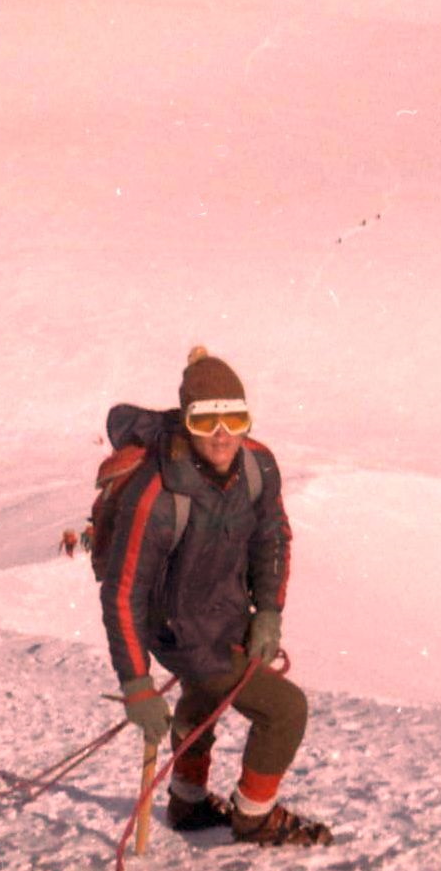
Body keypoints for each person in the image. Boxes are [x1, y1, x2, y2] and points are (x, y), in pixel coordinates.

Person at [98, 347, 330, 846]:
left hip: (226, 611)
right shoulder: (156, 494)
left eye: (235, 418)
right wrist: (136, 683)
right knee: (284, 710)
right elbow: (122, 593)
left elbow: (272, 535)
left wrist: (267, 610)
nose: (223, 435)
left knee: (203, 696)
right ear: (186, 422)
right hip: (175, 626)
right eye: (206, 421)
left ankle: (186, 801)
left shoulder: (258, 466)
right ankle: (254, 816)